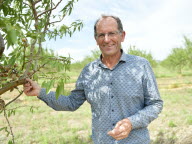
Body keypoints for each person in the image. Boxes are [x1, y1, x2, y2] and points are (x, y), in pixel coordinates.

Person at [24, 15, 163, 144]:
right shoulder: (88, 71)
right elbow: (71, 102)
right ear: (96, 40)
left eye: (112, 33)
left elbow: (155, 104)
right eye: (101, 35)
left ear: (122, 36)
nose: (107, 39)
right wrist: (40, 91)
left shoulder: (140, 65)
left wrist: (131, 122)